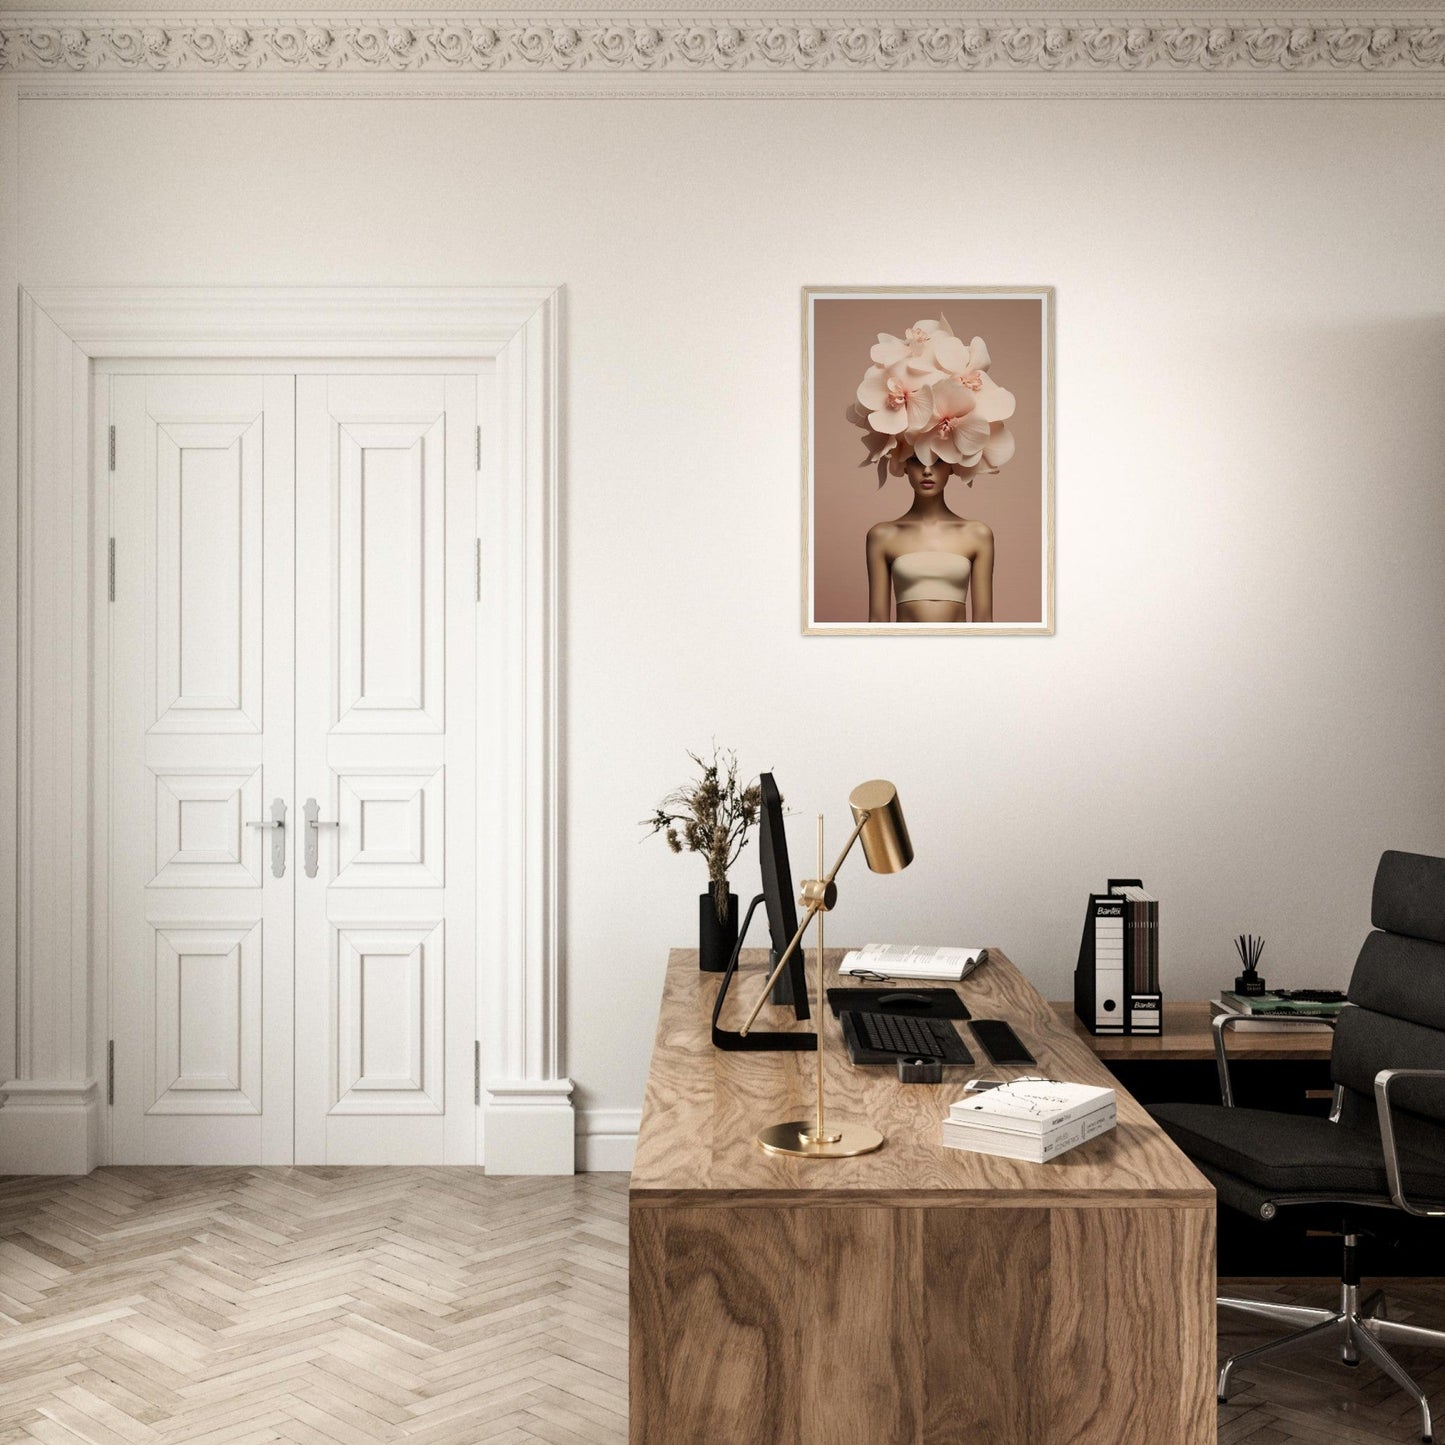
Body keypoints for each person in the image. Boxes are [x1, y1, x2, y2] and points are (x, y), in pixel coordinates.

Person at [866, 456, 993, 624]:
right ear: (904, 465)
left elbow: (984, 621)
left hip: (959, 648)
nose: (927, 470)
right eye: (916, 460)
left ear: (952, 466)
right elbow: (877, 621)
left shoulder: (977, 534)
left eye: (938, 460)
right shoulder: (882, 536)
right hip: (903, 648)